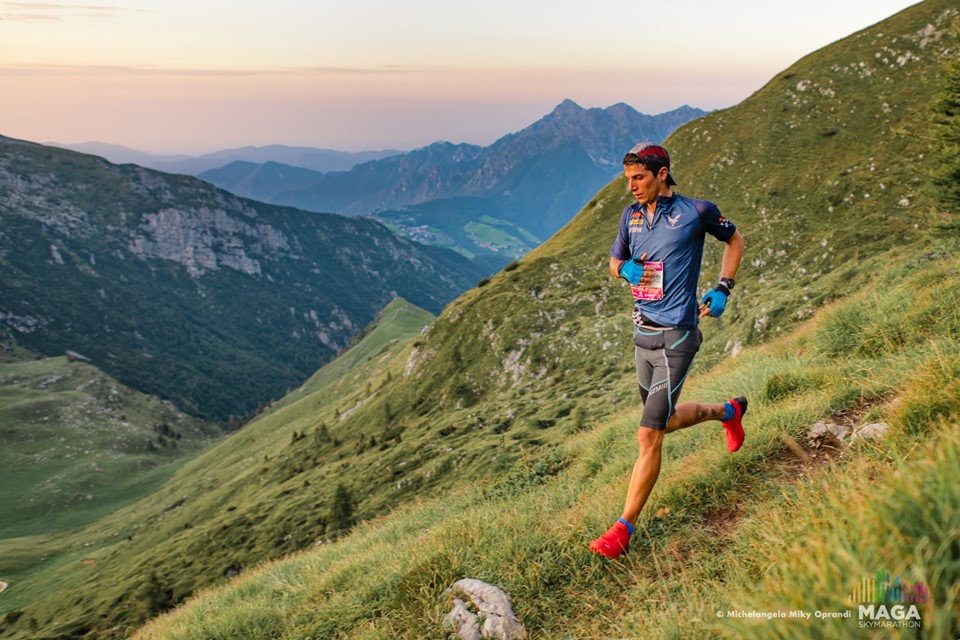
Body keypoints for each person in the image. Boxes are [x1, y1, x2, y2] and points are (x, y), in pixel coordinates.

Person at [588, 142, 747, 560]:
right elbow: (613, 261)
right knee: (665, 420)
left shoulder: (696, 212)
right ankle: (728, 412)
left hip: (679, 333)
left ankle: (623, 528)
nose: (632, 187)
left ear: (662, 174)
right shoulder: (632, 216)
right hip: (642, 333)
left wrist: (722, 287)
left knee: (648, 432)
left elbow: (736, 241)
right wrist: (624, 269)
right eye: (628, 180)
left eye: (639, 178)